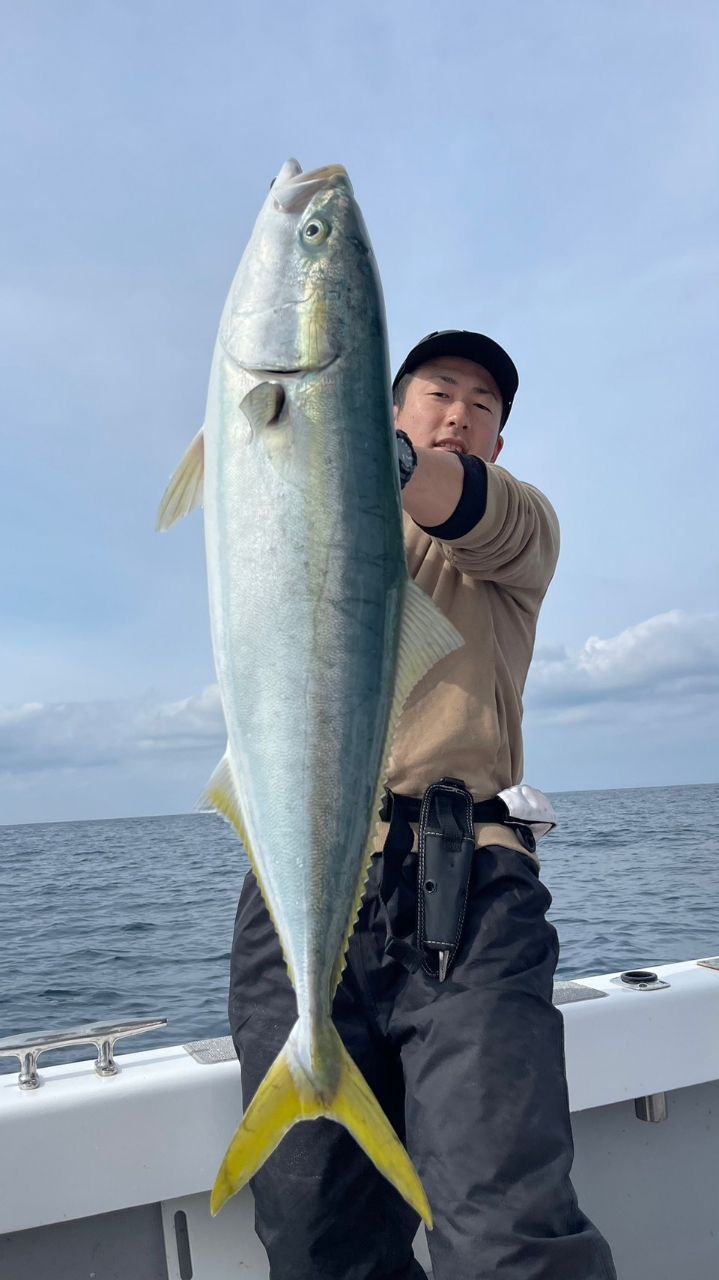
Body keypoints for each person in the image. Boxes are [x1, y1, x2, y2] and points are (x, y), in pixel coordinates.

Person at [228, 330, 617, 1280]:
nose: (457, 412)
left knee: (504, 1231)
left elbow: (464, 503)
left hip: (468, 894)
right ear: (390, 403)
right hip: (301, 890)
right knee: (317, 1239)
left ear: (496, 444)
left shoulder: (516, 531)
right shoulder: (294, 528)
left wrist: (376, 454)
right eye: (435, 391)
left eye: (481, 408)